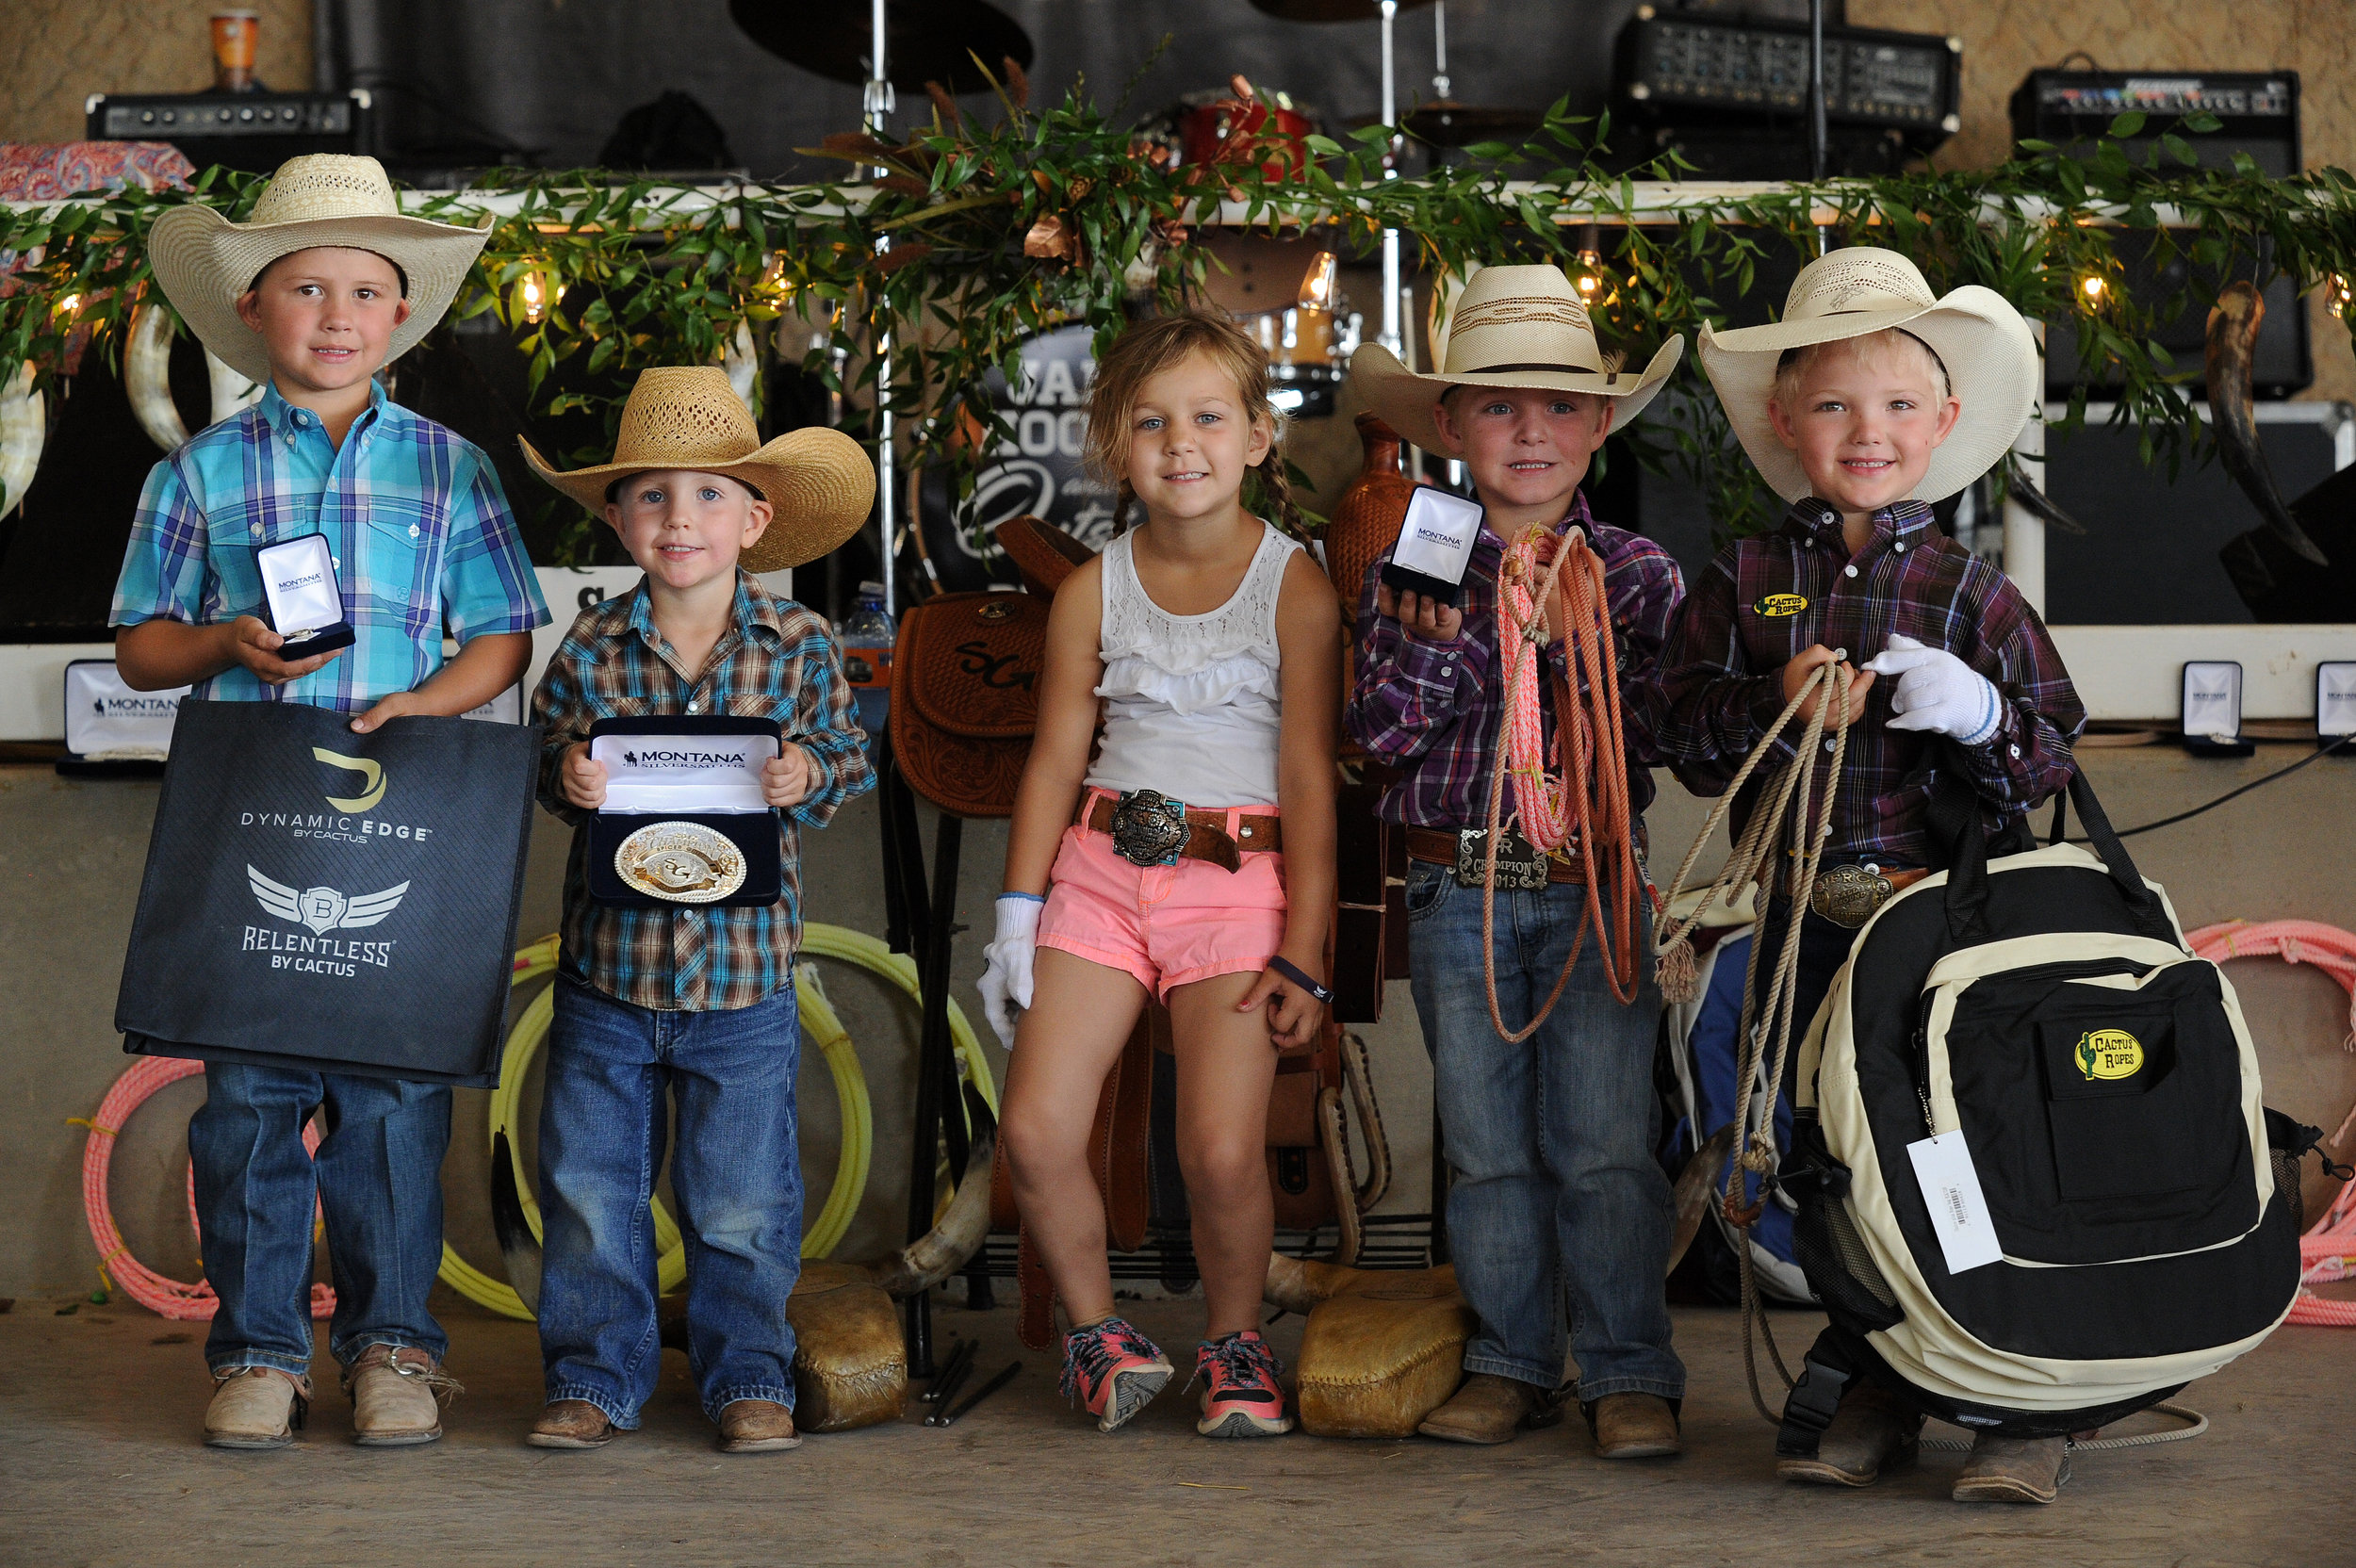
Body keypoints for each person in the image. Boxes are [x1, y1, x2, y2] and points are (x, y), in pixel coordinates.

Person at [111, 155, 549, 1450]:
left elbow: (503, 638)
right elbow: (140, 644)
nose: (339, 312)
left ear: (399, 314)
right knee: (249, 1096)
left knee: (394, 1098)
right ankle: (255, 1347)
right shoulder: (198, 473)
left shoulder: (451, 470)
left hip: (402, 809)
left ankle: (394, 1347)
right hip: (253, 810)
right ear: (253, 307)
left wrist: (429, 704)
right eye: (307, 287)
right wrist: (224, 646)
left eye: (366, 289)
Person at [1651, 246, 2086, 1504]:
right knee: (1819, 1157)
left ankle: (2016, 1398)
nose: (1867, 431)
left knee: (1954, 1147)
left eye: (1899, 405)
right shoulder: (1742, 581)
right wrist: (1765, 699)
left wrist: (1975, 714)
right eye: (1835, 404)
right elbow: (1681, 741)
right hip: (1794, 921)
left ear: (1944, 425)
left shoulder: (1972, 591)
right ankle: (1883, 1379)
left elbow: (2050, 757)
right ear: (1786, 421)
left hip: (1934, 922)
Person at [1345, 265, 1692, 1457]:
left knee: (1604, 1143)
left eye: (1557, 406)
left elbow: (1664, 744)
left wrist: (1568, 650)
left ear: (1600, 423)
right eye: (1496, 405)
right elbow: (1375, 741)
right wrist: (1458, 650)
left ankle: (1627, 1366)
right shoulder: (1417, 562)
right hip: (1457, 883)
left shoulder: (1638, 575)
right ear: (1448, 426)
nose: (1528, 432)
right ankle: (1507, 1357)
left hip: (1593, 881)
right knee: (1486, 1149)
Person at [979, 312, 1339, 1439]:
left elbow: (1310, 776)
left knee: (1221, 1146)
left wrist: (1306, 950)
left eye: (1206, 418)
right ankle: (1099, 1331)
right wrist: (1015, 911)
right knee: (1035, 1128)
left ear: (1258, 438)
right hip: (1097, 869)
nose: (1180, 443)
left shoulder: (1295, 587)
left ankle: (1233, 1340)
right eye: (1150, 422)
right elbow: (1053, 756)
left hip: (1238, 882)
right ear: (1112, 444)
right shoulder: (1095, 587)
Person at [519, 368, 876, 1454]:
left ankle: (747, 1376)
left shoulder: (802, 643)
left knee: (741, 1199)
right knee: (588, 1191)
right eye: (654, 496)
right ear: (619, 516)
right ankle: (595, 1373)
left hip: (745, 978)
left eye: (711, 495)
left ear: (757, 518)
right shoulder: (588, 647)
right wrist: (568, 775)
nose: (682, 518)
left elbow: (852, 756)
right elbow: (546, 759)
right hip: (608, 971)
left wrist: (806, 770)